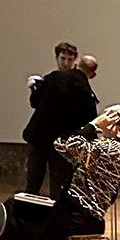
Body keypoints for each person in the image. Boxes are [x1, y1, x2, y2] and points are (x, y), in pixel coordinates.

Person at [0, 104, 120, 240]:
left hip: (79, 216)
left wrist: (93, 125)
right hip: (72, 211)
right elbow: (63, 147)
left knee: (12, 215)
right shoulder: (104, 148)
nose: (106, 122)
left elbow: (63, 143)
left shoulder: (109, 149)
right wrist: (93, 129)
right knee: (12, 210)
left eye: (111, 120)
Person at [21, 53, 99, 199]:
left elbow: (35, 102)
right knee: (58, 187)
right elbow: (89, 124)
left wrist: (34, 88)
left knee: (32, 183)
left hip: (38, 137)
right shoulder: (86, 92)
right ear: (93, 75)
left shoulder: (53, 77)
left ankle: (27, 212)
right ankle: (55, 213)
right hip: (60, 143)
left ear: (76, 64)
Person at [23, 42, 80, 194]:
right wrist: (34, 89)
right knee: (33, 181)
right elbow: (35, 103)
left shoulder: (76, 83)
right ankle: (29, 209)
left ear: (75, 61)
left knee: (58, 184)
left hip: (60, 140)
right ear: (57, 59)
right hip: (40, 138)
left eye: (70, 59)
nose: (66, 63)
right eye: (63, 58)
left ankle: (55, 210)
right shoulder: (50, 79)